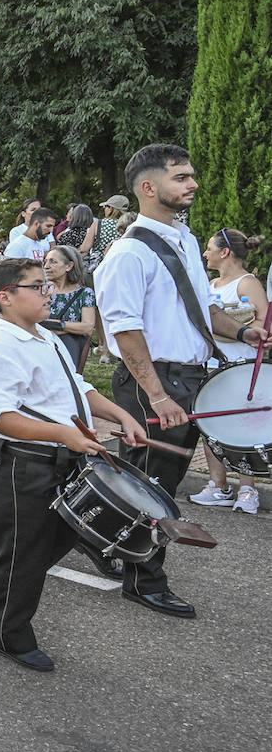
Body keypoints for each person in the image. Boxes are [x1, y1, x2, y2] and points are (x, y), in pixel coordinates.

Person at [94, 143, 268, 618]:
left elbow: (204, 311)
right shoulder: (128, 253)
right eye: (181, 177)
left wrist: (245, 331)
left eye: (191, 176)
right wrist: (156, 394)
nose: (192, 184)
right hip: (155, 381)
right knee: (151, 486)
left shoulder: (186, 241)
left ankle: (112, 550)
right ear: (149, 188)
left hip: (188, 378)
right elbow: (125, 332)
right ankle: (144, 579)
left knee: (153, 483)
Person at [0, 259, 145, 671]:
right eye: (38, 286)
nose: (49, 292)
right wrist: (64, 434)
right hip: (23, 464)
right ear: (6, 297)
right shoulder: (1, 346)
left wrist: (120, 415)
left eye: (48, 285)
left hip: (64, 457)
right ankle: (9, 635)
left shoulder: (44, 335)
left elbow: (76, 385)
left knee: (62, 537)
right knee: (26, 551)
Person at [188, 228, 268, 514]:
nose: (205, 253)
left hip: (239, 366)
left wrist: (232, 328)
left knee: (241, 428)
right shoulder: (211, 284)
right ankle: (217, 485)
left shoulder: (247, 283)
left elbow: (263, 325)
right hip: (212, 365)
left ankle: (248, 489)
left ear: (225, 252)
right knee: (210, 427)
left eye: (210, 248)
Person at [41, 245, 95, 369]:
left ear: (69, 266)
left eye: (53, 262)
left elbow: (87, 327)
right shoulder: (43, 290)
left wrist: (55, 324)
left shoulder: (84, 293)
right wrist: (71, 327)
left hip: (68, 351)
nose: (46, 266)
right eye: (46, 261)